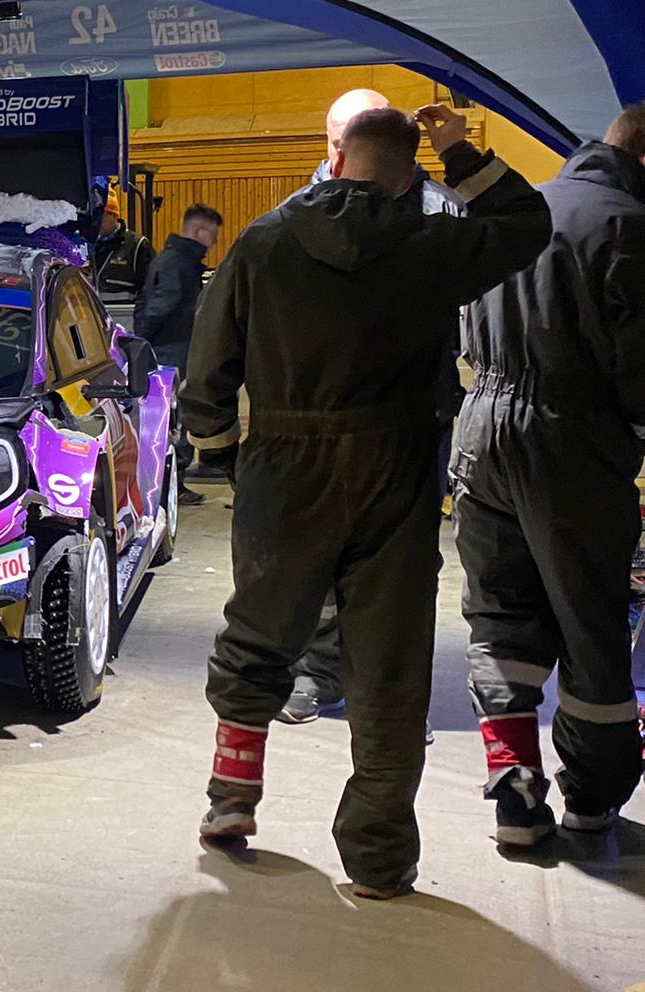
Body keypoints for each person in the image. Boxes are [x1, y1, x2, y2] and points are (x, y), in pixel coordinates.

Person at [184, 105, 550, 899]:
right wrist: (459, 150)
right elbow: (527, 223)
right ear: (409, 174)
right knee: (388, 662)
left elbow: (209, 368)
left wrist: (226, 455)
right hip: (397, 466)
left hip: (285, 462)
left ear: (337, 157)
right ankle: (379, 861)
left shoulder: (264, 240)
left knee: (259, 629)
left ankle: (231, 794)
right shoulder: (432, 244)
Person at [455, 103, 645, 846]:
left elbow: (464, 321)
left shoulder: (519, 208)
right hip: (573, 440)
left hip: (482, 430)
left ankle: (515, 800)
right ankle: (592, 798)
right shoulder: (629, 226)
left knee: (500, 615)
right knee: (589, 623)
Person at [281, 90, 465, 727]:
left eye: (360, 141)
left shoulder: (442, 211)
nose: (347, 156)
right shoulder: (295, 214)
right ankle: (319, 671)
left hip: (415, 418)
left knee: (406, 563)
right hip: (323, 420)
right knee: (320, 552)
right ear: (327, 142)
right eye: (338, 142)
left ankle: (393, 693)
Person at [135, 204, 223, 507]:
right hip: (173, 350)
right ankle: (171, 484)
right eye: (213, 235)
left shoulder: (172, 260)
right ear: (200, 232)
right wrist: (142, 340)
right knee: (175, 417)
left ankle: (171, 482)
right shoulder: (178, 264)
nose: (214, 242)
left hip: (168, 348)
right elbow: (159, 307)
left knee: (170, 416)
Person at [93, 180, 154, 299]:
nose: (95, 222)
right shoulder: (84, 246)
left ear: (114, 215)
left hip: (126, 311)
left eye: (100, 217)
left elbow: (152, 291)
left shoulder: (137, 246)